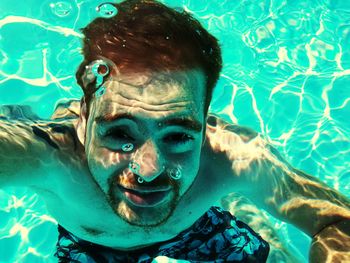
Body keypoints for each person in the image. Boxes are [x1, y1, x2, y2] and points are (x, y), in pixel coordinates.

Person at [0, 0, 349, 262]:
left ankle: (234, 200)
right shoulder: (50, 155)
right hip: (87, 247)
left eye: (178, 136)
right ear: (83, 119)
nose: (149, 170)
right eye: (120, 133)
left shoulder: (234, 156)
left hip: (196, 230)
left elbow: (337, 223)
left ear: (204, 119)